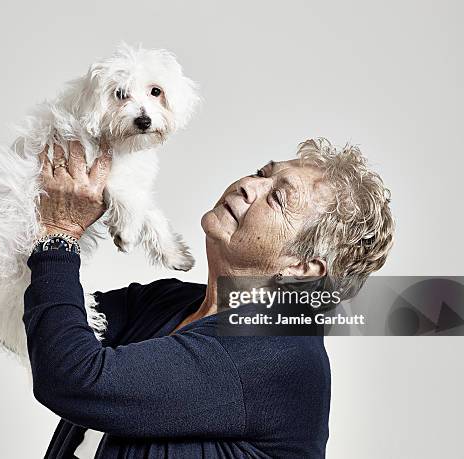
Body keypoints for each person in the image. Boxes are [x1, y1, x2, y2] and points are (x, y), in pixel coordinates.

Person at [23, 137, 395, 458]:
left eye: (278, 197)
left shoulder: (277, 352)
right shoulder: (169, 303)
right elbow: (47, 318)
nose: (249, 185)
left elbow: (71, 376)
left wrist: (61, 232)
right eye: (262, 173)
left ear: (303, 267)